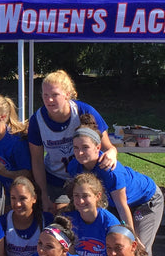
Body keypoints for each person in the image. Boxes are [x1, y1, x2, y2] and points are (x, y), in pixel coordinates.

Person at [69, 116, 165, 254]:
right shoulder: (74, 166)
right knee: (112, 242)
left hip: (146, 200)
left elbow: (122, 205)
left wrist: (132, 236)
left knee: (136, 248)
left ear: (98, 147)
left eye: (85, 147)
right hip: (113, 204)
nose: (80, 153)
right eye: (76, 148)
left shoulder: (109, 170)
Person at [28, 70, 116, 210]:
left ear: (67, 95)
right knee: (61, 216)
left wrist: (112, 153)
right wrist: (43, 194)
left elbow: (108, 147)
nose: (49, 100)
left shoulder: (84, 111)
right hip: (56, 179)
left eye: (55, 95)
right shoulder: (37, 120)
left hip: (87, 178)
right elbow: (37, 161)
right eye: (45, 95)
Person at [63, 173, 119, 256]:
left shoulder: (110, 223)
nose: (80, 201)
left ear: (97, 196)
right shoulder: (68, 220)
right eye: (76, 196)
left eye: (85, 196)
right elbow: (68, 253)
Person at [2, 177, 53, 256]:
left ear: (34, 198)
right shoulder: (2, 222)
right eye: (13, 198)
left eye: (22, 198)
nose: (17, 204)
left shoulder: (47, 220)